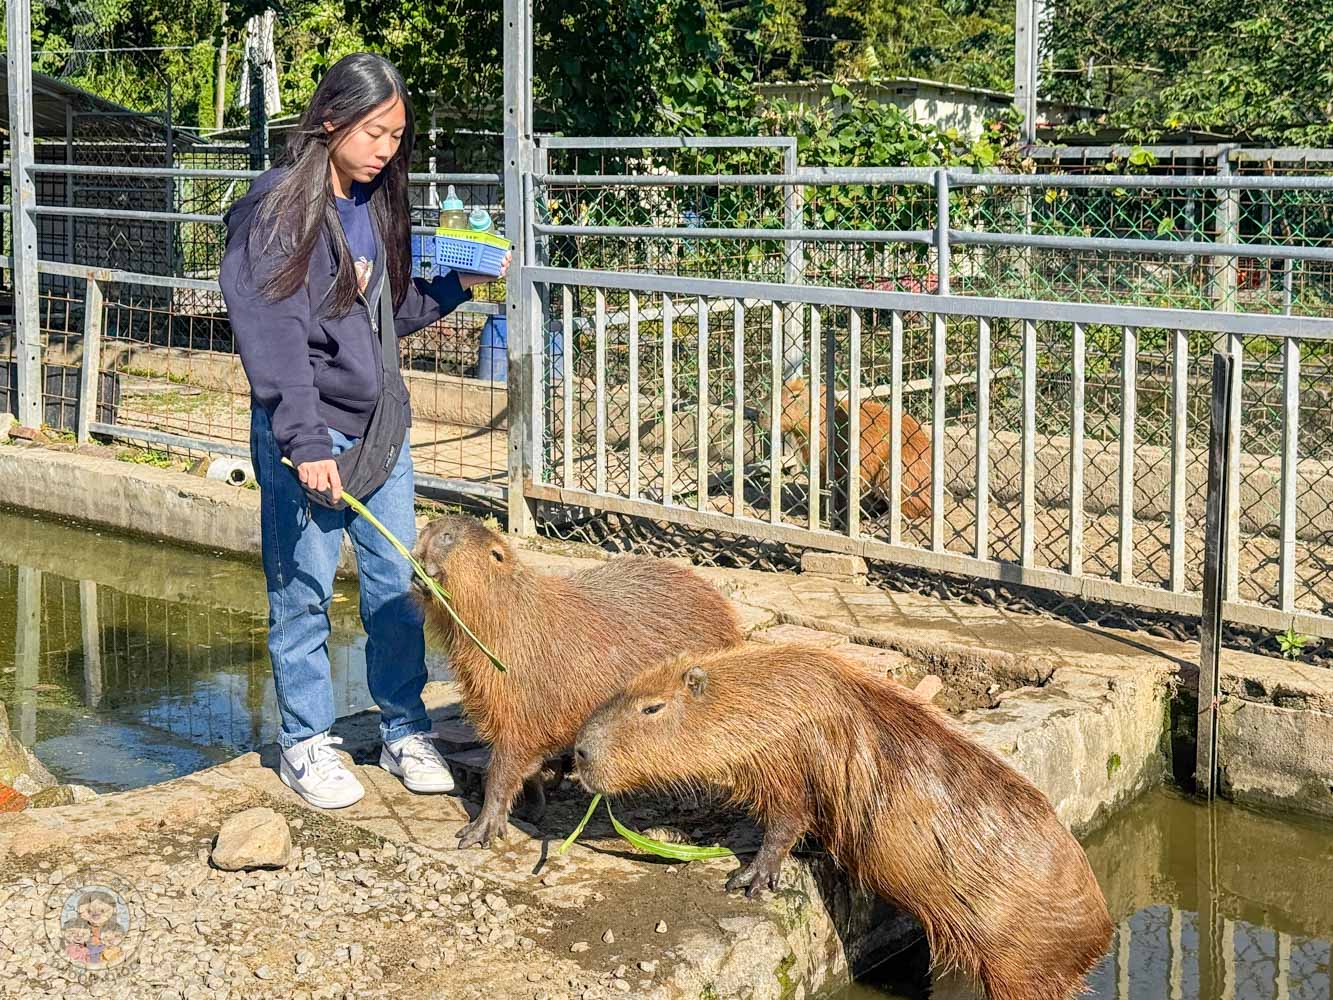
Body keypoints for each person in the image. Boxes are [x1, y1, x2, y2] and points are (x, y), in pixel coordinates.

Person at [219, 52, 509, 809]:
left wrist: (454, 285)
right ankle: (306, 742)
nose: (385, 148)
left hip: (382, 427)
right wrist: (304, 441)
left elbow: (383, 314)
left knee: (394, 586)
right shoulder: (280, 208)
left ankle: (404, 726)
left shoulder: (373, 205)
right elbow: (273, 332)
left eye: (396, 135)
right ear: (329, 120)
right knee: (304, 590)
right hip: (311, 432)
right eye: (374, 131)